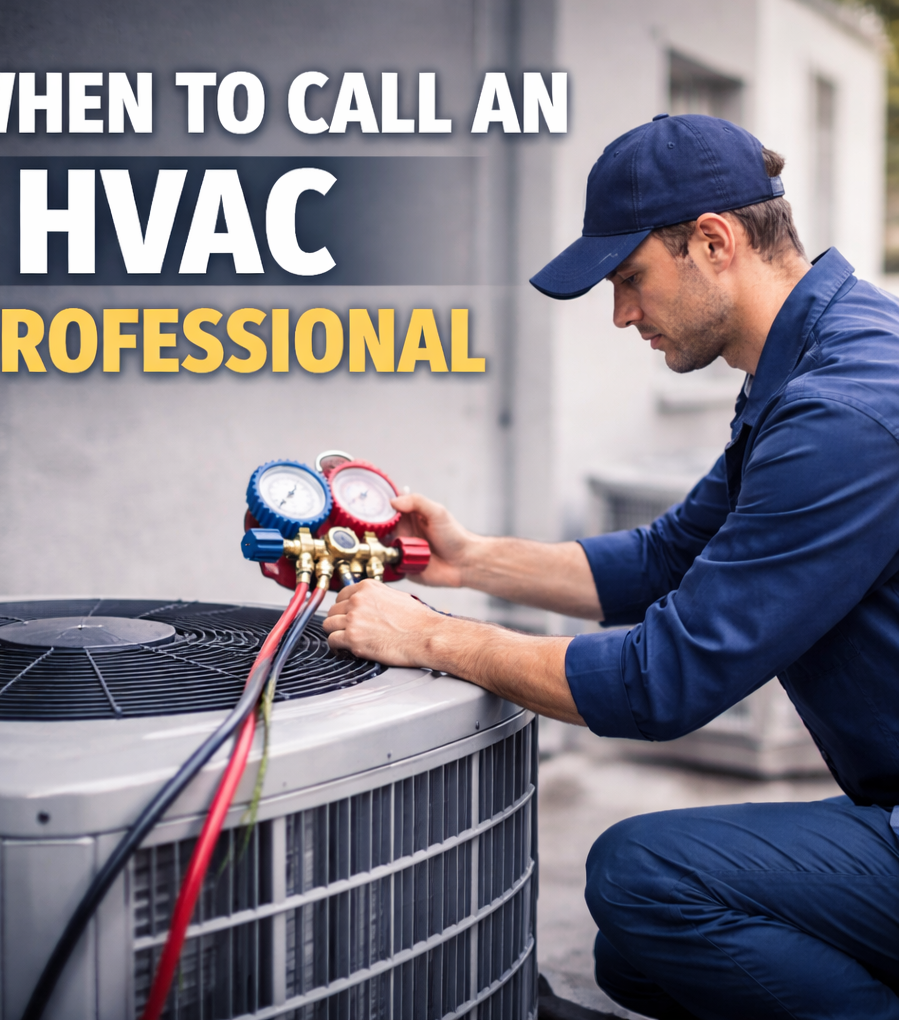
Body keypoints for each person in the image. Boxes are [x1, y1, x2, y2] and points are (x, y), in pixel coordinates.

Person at [323, 114, 899, 1020]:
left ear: (713, 243)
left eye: (631, 278)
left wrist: (433, 637)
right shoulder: (808, 358)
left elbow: (661, 682)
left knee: (641, 878)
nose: (623, 313)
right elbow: (667, 557)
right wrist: (468, 560)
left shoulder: (843, 413)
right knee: (640, 960)